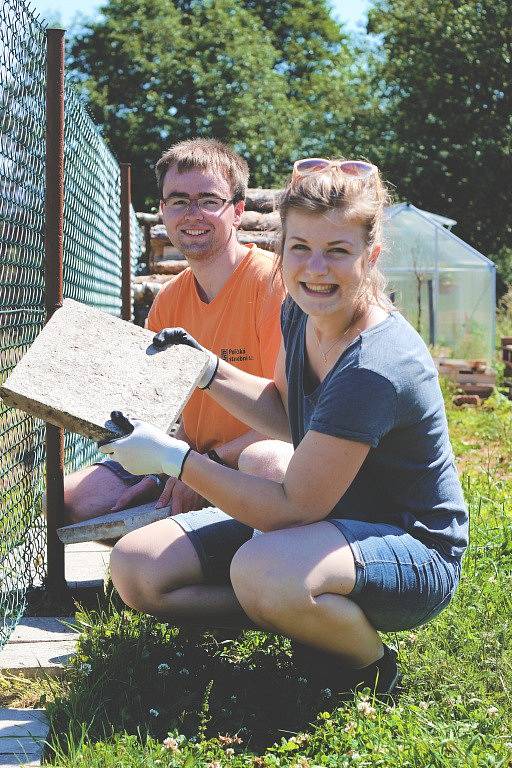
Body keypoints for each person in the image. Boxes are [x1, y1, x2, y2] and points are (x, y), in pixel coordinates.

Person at [100, 158, 468, 694]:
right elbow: (282, 411)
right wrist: (207, 368)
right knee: (137, 567)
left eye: (338, 251)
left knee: (263, 568)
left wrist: (174, 460)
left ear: (372, 256)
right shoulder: (300, 311)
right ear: (282, 248)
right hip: (331, 525)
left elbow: (294, 506)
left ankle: (370, 665)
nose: (316, 268)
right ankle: (297, 614)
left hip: (410, 546)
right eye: (301, 248)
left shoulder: (373, 364)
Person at [61, 139, 286, 524]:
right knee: (69, 503)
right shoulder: (169, 301)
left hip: (251, 457)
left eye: (209, 200)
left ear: (238, 211)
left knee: (269, 466)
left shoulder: (274, 284)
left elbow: (292, 422)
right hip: (188, 456)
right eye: (179, 201)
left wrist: (202, 469)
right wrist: (169, 463)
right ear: (163, 211)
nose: (192, 214)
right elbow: (169, 415)